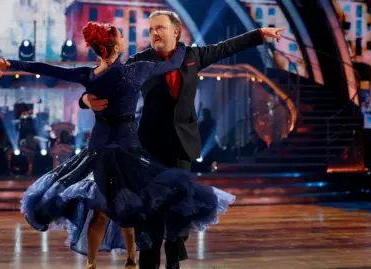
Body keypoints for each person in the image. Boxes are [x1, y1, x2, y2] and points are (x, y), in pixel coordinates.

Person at [0, 21, 235, 269]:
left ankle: (110, 260)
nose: (122, 37)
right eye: (119, 35)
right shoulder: (136, 69)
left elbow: (49, 69)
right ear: (115, 45)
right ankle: (125, 258)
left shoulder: (89, 74)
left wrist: (12, 64)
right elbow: (172, 63)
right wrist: (180, 45)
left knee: (109, 205)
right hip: (126, 147)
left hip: (101, 147)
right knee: (129, 203)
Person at [79, 11, 284, 269]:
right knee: (150, 212)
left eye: (160, 28)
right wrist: (85, 100)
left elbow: (227, 47)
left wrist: (259, 34)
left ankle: (174, 261)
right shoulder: (140, 61)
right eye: (151, 29)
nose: (154, 33)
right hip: (149, 149)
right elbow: (108, 82)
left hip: (183, 147)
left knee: (179, 210)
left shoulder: (193, 56)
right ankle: (148, 264)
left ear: (175, 31)